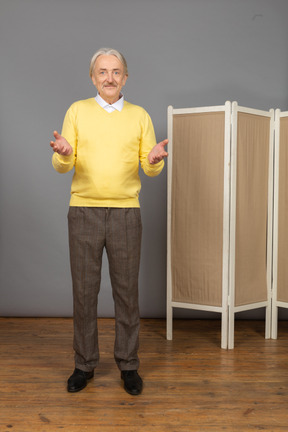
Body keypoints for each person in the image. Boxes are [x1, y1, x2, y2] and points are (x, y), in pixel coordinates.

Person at [50, 48, 168, 396]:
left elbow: (149, 168)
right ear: (92, 77)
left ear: (125, 77)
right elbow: (62, 167)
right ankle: (84, 364)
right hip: (83, 211)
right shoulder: (77, 111)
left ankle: (128, 365)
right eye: (102, 72)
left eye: (116, 72)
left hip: (126, 214)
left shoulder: (140, 116)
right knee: (84, 293)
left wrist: (155, 159)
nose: (109, 78)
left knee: (127, 293)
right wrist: (62, 154)